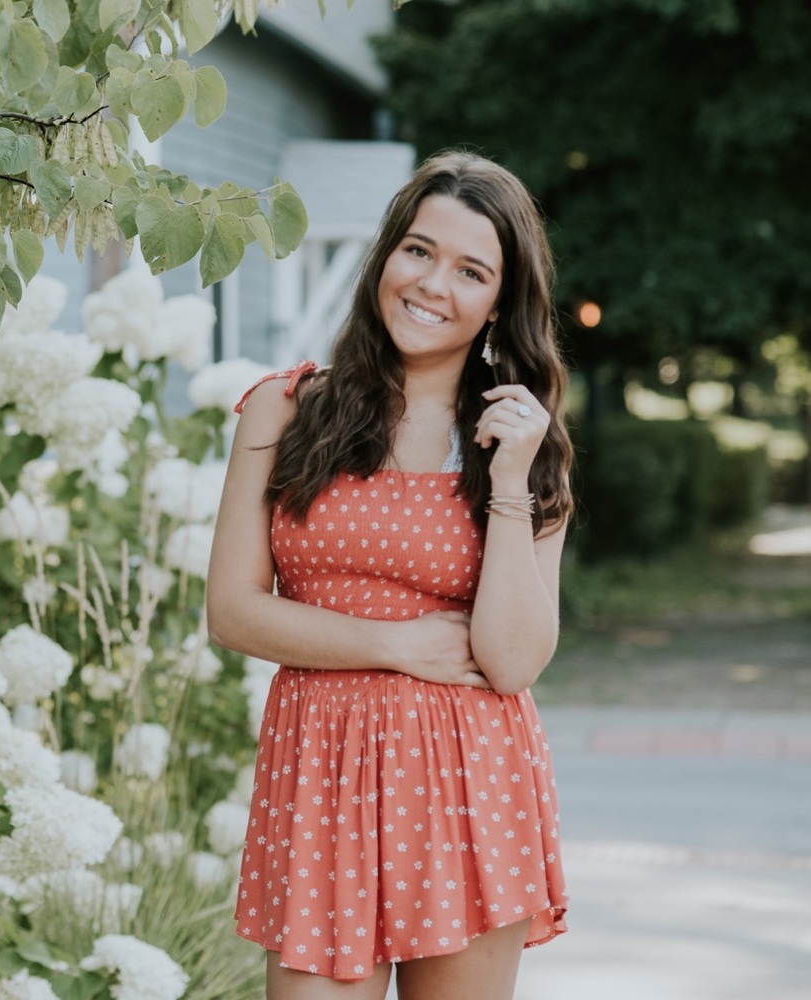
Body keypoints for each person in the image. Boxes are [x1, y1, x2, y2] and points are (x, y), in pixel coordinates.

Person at [206, 150, 574, 1000]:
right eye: (419, 251)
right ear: (386, 257)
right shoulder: (284, 409)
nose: (433, 284)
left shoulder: (524, 442)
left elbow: (513, 661)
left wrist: (511, 481)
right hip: (320, 774)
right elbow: (232, 612)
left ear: (499, 303)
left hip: (470, 783)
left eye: (471, 271)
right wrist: (400, 645)